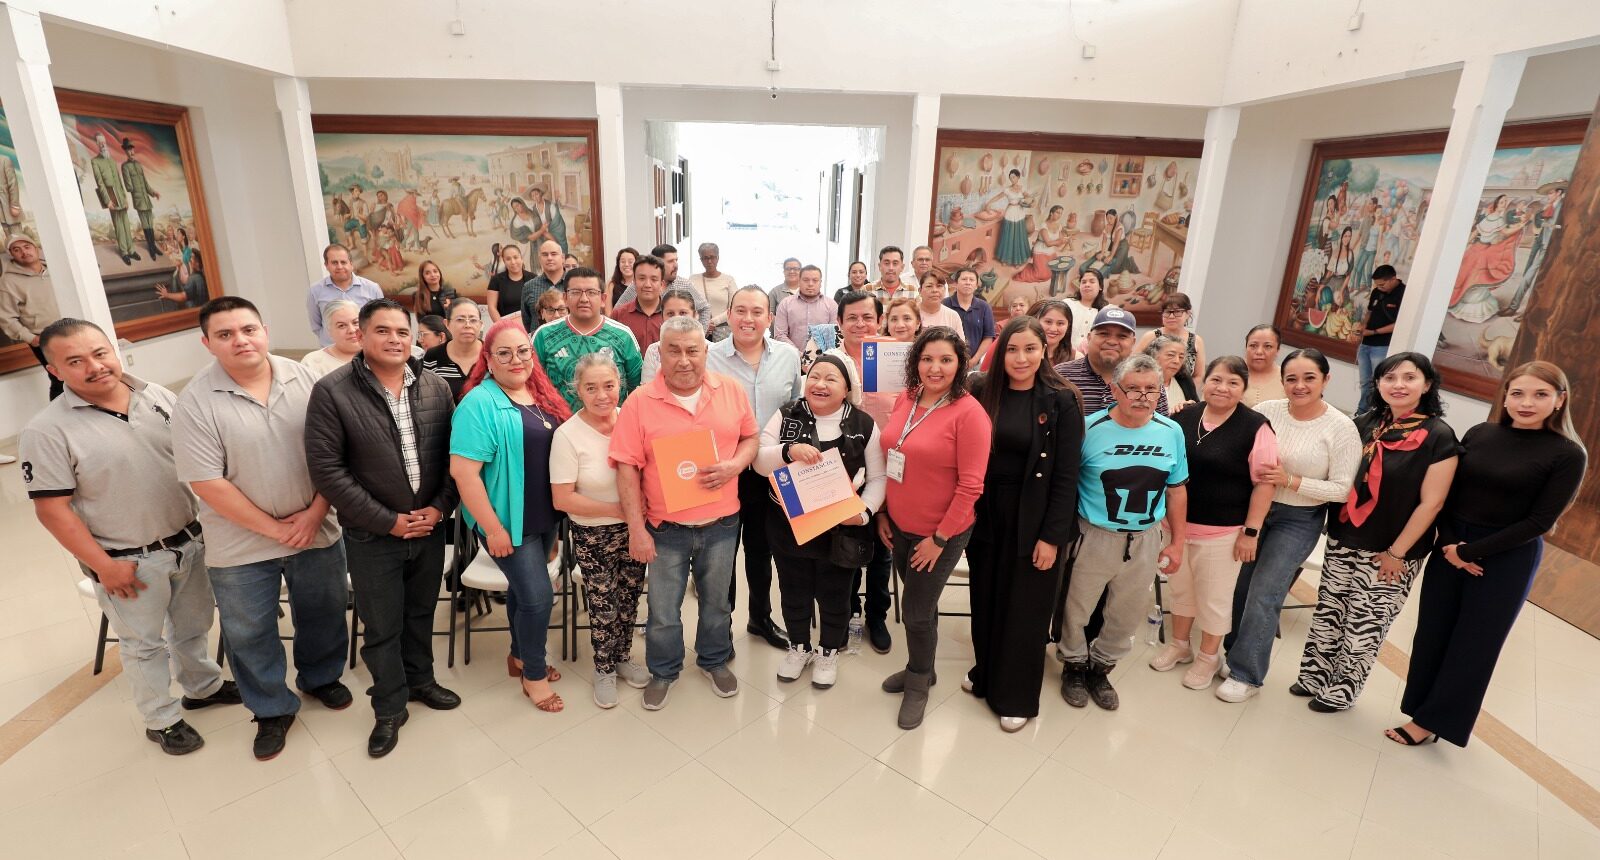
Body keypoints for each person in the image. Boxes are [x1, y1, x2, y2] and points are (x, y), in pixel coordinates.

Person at [20, 319, 236, 756]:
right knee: (143, 645)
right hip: (127, 560)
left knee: (193, 625)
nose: (95, 366)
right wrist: (104, 567)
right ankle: (162, 719)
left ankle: (202, 686)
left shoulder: (155, 395)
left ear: (114, 350)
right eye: (75, 361)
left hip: (189, 541)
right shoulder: (46, 431)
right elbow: (52, 510)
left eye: (100, 353)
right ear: (54, 370)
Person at [173, 297, 348, 761]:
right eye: (225, 334)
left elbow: (336, 453)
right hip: (240, 541)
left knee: (325, 609)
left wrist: (315, 513)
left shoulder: (305, 379)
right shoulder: (196, 401)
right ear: (207, 343)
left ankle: (321, 677)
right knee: (248, 631)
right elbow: (207, 482)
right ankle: (271, 708)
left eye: (248, 329)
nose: (240, 340)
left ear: (265, 330)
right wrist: (275, 529)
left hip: (315, 526)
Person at [1394, 361, 1585, 747]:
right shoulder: (1481, 433)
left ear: (1559, 400)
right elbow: (1448, 494)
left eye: (1540, 395)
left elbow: (1540, 522)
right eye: (1518, 393)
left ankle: (1431, 723)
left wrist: (1469, 552)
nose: (1526, 403)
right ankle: (1419, 708)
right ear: (1505, 397)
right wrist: (1451, 545)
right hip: (1451, 545)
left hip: (1507, 557)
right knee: (1432, 632)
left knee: (1473, 645)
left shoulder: (1567, 454)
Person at [304, 299, 460, 757]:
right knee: (382, 627)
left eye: (402, 331)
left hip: (428, 527)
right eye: (383, 331)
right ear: (362, 335)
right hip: (372, 535)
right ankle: (389, 706)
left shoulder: (434, 387)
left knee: (421, 613)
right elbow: (328, 470)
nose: (395, 339)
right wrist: (387, 521)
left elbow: (455, 457)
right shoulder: (332, 392)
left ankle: (421, 681)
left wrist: (440, 508)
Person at [609, 316, 758, 711]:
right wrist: (636, 529)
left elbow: (751, 436)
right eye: (673, 350)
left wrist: (735, 465)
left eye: (692, 350)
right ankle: (663, 670)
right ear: (660, 353)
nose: (684, 359)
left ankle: (714, 659)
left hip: (722, 522)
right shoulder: (639, 401)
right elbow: (626, 467)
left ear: (705, 351)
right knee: (662, 610)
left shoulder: (730, 390)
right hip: (665, 528)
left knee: (717, 602)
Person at [1297, 352, 1459, 712]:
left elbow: (1432, 504)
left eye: (1409, 378)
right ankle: (1314, 676)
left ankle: (1342, 690)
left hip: (1393, 550)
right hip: (1345, 534)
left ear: (1427, 385)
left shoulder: (1439, 436)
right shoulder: (1365, 422)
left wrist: (1396, 553)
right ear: (1378, 383)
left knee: (1364, 623)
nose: (1398, 385)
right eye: (1389, 378)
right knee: (1330, 611)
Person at [1217, 348, 1361, 703]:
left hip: (1298, 518)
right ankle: (1232, 654)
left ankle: (1247, 674)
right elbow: (1229, 430)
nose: (1300, 386)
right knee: (1239, 587)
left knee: (1265, 594)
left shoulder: (1341, 428)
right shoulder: (1267, 411)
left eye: (1309, 378)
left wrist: (1291, 481)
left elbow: (1342, 490)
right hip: (1255, 509)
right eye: (1291, 379)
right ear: (1282, 381)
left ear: (1326, 379)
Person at [966, 317, 1083, 731]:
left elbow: (1066, 476)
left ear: (1044, 351)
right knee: (985, 595)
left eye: (1030, 349)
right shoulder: (981, 390)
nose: (1021, 358)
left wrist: (1052, 537)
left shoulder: (1062, 399)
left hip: (1034, 514)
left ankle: (1015, 695)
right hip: (986, 510)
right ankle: (985, 673)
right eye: (1012, 349)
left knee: (1025, 608)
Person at [451, 317, 573, 713]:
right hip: (505, 520)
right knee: (538, 598)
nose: (516, 359)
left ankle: (519, 656)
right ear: (487, 359)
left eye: (522, 351)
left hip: (543, 514)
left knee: (525, 592)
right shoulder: (479, 404)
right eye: (504, 353)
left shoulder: (539, 394)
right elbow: (464, 474)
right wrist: (493, 529)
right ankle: (533, 675)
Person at [876, 327, 992, 730]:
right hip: (900, 524)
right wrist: (884, 512)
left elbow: (971, 486)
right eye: (927, 358)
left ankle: (918, 680)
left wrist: (939, 540)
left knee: (915, 612)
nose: (935, 368)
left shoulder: (970, 413)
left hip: (940, 532)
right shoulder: (907, 398)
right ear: (915, 362)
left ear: (960, 363)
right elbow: (891, 456)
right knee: (920, 607)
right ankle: (925, 668)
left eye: (945, 359)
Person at [1058, 354, 1187, 711]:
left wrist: (1177, 542)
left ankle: (1101, 668)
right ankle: (1073, 666)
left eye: (1151, 389)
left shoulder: (1171, 431)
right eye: (1133, 388)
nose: (1142, 397)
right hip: (1094, 534)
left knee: (1127, 612)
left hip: (1145, 538)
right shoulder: (1089, 428)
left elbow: (1176, 490)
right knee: (1076, 608)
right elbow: (1064, 484)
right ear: (1114, 390)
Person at [756, 354, 886, 687]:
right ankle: (799, 647)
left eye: (831, 379)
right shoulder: (787, 414)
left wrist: (865, 511)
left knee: (835, 594)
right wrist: (788, 451)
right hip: (789, 526)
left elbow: (878, 477)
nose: (820, 384)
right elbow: (759, 461)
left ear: (847, 387)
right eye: (814, 376)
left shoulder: (863, 424)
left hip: (841, 529)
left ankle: (828, 651)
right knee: (793, 590)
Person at [1152, 356, 1276, 690]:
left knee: (1214, 597)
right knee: (1180, 590)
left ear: (1244, 388)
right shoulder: (1183, 416)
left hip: (1223, 531)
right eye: (1216, 380)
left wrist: (1251, 532)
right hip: (1175, 526)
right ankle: (1180, 645)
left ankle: (1209, 657)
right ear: (1204, 381)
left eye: (1233, 382)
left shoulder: (1256, 427)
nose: (1223, 388)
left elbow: (1265, 484)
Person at [551, 353, 651, 708]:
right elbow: (563, 498)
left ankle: (622, 657)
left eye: (608, 386)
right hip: (594, 533)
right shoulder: (567, 435)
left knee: (629, 597)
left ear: (620, 385)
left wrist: (635, 515)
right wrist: (618, 510)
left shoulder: (631, 421)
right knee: (603, 602)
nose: (602, 395)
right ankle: (603, 669)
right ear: (577, 390)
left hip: (634, 528)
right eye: (591, 388)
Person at [708, 286, 804, 651]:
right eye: (741, 311)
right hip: (726, 469)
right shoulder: (709, 356)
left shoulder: (788, 356)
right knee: (722, 553)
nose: (748, 319)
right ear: (729, 314)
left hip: (770, 470)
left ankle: (760, 617)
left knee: (762, 548)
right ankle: (721, 626)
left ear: (770, 318)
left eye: (757, 312)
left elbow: (794, 408)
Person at [821, 292, 895, 651]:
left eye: (868, 317)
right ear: (840, 322)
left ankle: (877, 615)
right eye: (852, 317)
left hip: (888, 464)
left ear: (879, 320)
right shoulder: (829, 360)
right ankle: (847, 609)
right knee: (845, 541)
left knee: (882, 546)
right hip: (843, 464)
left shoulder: (894, 357)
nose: (860, 324)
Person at [533, 266, 644, 411]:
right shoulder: (544, 335)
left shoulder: (623, 335)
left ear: (603, 299)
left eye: (591, 292)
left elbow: (638, 388)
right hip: (558, 422)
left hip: (613, 422)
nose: (584, 299)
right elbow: (532, 384)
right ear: (565, 298)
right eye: (576, 292)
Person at [1056, 306, 1168, 415]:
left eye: (1122, 336)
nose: (1112, 342)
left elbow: (1161, 425)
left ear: (1133, 342)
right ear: (1089, 338)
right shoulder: (1060, 376)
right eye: (1104, 334)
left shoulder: (1150, 380)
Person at [0, 234, 63, 400]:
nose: (24, 252)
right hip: (43, 337)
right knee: (60, 380)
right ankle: (57, 416)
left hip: (72, 331)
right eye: (17, 250)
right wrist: (31, 339)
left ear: (36, 248)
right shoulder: (7, 281)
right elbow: (6, 317)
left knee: (80, 375)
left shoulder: (56, 269)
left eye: (27, 247)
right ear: (11, 255)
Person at [614, 244, 711, 327]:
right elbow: (618, 311)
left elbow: (704, 308)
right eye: (670, 261)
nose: (676, 265)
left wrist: (698, 335)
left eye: (676, 260)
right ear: (657, 262)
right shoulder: (638, 286)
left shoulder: (684, 285)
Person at [306, 244, 383, 347]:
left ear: (351, 264)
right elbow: (316, 326)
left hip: (364, 349)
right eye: (334, 263)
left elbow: (381, 321)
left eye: (343, 262)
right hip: (331, 350)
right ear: (326, 265)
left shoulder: (372, 289)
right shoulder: (315, 291)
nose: (339, 267)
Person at [1358, 265, 1405, 414]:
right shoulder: (1377, 292)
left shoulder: (1403, 294)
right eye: (1377, 285)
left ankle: (1374, 414)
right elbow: (1370, 312)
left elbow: (1399, 324)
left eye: (1382, 284)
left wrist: (1373, 332)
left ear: (1393, 279)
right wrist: (1363, 327)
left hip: (1382, 346)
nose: (1379, 288)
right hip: (1365, 343)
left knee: (1378, 383)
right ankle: (1361, 412)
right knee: (1365, 382)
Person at [423, 296, 483, 402]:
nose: (467, 325)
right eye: (460, 320)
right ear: (447, 324)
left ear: (481, 325)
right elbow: (425, 397)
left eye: (473, 320)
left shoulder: (491, 355)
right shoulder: (433, 356)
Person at [90, 133, 137, 264]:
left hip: (120, 197)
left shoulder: (112, 160)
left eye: (104, 142)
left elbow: (119, 181)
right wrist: (107, 201)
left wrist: (125, 198)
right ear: (97, 145)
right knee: (119, 226)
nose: (102, 144)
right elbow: (100, 183)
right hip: (111, 198)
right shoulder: (95, 162)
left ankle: (132, 250)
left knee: (126, 224)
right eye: (100, 143)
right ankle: (124, 252)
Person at [1135, 292, 1205, 379]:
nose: (1171, 316)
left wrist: (1187, 388)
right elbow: (1132, 364)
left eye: (1177, 312)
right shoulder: (1151, 336)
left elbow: (1199, 375)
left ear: (1188, 313)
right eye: (1167, 312)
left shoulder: (1196, 340)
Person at [638, 288, 700, 384]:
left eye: (683, 313)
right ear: (662, 317)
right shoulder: (654, 351)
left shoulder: (711, 349)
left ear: (695, 315)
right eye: (670, 314)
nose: (677, 318)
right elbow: (647, 388)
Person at [773, 264, 837, 352]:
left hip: (824, 358)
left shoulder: (831, 305)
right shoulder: (785, 304)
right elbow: (780, 335)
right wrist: (797, 353)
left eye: (815, 280)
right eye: (806, 280)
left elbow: (835, 335)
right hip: (791, 356)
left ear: (820, 282)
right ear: (799, 281)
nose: (810, 284)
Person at [611, 254, 669, 352]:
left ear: (662, 285)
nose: (647, 285)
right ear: (634, 282)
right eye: (642, 278)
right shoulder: (618, 315)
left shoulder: (672, 314)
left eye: (654, 279)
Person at [119, 138, 161, 260]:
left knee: (150, 223)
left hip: (146, 199)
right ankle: (151, 249)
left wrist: (153, 193)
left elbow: (145, 183)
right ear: (125, 152)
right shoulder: (125, 167)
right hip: (138, 200)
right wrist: (133, 185)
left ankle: (153, 247)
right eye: (129, 150)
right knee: (145, 224)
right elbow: (128, 187)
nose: (131, 152)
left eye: (132, 149)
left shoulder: (138, 165)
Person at [945, 267, 996, 363]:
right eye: (964, 279)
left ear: (976, 285)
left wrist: (974, 360)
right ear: (956, 283)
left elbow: (988, 337)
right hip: (948, 361)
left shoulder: (984, 307)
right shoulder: (945, 305)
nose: (968, 283)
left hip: (975, 362)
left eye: (971, 280)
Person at [301, 299, 362, 379]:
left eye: (355, 323)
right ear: (329, 331)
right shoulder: (313, 362)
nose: (352, 330)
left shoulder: (377, 355)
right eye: (341, 326)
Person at [520, 239, 570, 332]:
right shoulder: (529, 286)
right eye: (545, 254)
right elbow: (527, 321)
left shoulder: (573, 283)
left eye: (554, 254)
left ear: (562, 258)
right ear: (539, 259)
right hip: (539, 339)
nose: (549, 258)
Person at [694, 242, 739, 339]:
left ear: (718, 258)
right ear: (701, 259)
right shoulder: (693, 280)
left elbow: (735, 308)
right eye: (705, 258)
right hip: (698, 331)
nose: (709, 261)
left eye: (712, 257)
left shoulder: (728, 280)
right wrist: (703, 323)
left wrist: (713, 322)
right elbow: (688, 306)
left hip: (722, 331)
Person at [1148, 333, 1197, 413]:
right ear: (1155, 355)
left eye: (1181, 357)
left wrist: (1192, 407)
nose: (1177, 361)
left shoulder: (1184, 379)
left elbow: (1198, 409)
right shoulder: (1142, 380)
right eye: (1171, 355)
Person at [486, 243, 535, 323]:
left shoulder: (533, 278)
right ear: (504, 261)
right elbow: (492, 307)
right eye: (508, 259)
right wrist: (502, 326)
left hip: (531, 326)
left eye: (515, 257)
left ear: (521, 258)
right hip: (506, 326)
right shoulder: (496, 280)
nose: (513, 262)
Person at [914, 272, 965, 342]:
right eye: (929, 286)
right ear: (920, 290)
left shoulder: (952, 315)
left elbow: (961, 345)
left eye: (939, 286)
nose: (935, 290)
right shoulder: (911, 312)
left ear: (945, 290)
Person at [1242, 324, 1285, 407]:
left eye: (1268, 346)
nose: (1259, 352)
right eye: (1253, 345)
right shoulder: (1231, 371)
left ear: (1278, 350)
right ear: (1246, 347)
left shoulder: (1287, 378)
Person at [1065, 270, 1107, 356]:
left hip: (1090, 359)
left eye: (1092, 281)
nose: (1087, 285)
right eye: (1083, 282)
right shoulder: (1068, 304)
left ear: (1100, 286)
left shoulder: (1105, 312)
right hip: (1064, 355)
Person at [608, 246, 638, 313]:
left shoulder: (641, 285)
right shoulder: (611, 285)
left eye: (630, 262)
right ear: (618, 264)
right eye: (623, 261)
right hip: (616, 319)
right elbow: (608, 313)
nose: (626, 264)